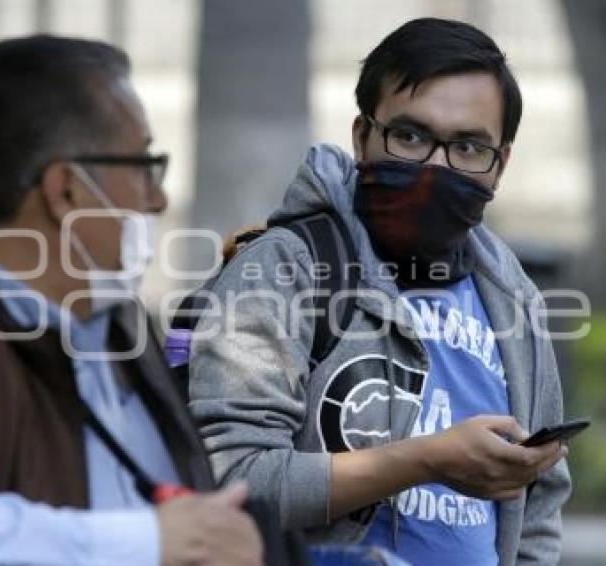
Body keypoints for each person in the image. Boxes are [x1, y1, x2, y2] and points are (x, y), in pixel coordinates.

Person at [0, 35, 262, 566]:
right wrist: (145, 543)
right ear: (66, 191)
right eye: (142, 166)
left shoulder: (111, 328)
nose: (157, 199)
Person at [188, 18, 571, 565]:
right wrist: (424, 460)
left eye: (467, 147)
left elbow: (539, 505)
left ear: (500, 165)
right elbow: (231, 481)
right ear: (361, 137)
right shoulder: (286, 269)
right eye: (410, 136)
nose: (436, 167)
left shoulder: (512, 294)